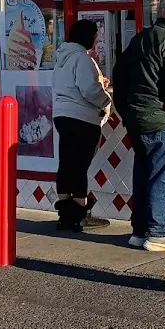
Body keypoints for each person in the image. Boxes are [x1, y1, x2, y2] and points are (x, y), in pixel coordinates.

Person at [112, 0, 165, 252]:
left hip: (136, 119)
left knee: (143, 174)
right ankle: (159, 232)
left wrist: (126, 112)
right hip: (160, 119)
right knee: (161, 176)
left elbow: (118, 74)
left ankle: (139, 231)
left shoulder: (140, 38)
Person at [51, 19, 113, 232]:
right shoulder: (82, 59)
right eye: (95, 36)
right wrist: (106, 101)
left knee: (66, 164)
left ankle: (65, 214)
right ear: (87, 37)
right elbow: (89, 90)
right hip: (82, 118)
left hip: (62, 115)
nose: (95, 41)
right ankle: (80, 215)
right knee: (79, 167)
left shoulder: (61, 59)